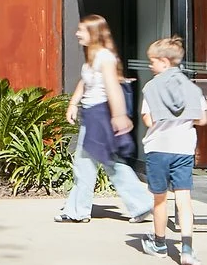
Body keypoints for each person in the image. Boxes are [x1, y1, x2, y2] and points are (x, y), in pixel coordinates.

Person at [57, 13, 153, 225]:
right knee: (97, 163)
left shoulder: (104, 57)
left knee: (95, 163)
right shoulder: (93, 56)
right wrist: (73, 103)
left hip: (100, 115)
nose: (77, 33)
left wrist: (119, 116)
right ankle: (140, 204)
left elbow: (113, 88)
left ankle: (79, 209)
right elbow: (84, 82)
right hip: (92, 114)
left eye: (81, 30)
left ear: (93, 32)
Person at [139, 36, 206, 265]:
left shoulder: (151, 87)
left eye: (153, 61)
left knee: (160, 199)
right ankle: (187, 248)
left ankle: (159, 244)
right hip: (183, 148)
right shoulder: (191, 87)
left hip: (158, 148)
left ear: (165, 62)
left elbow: (148, 120)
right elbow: (202, 118)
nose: (150, 66)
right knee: (184, 199)